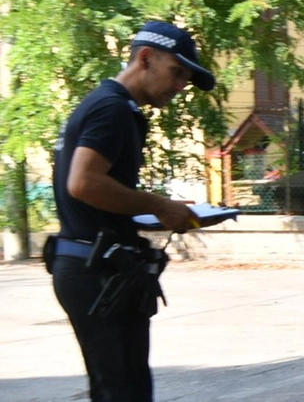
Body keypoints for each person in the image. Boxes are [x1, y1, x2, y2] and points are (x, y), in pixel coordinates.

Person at [49, 21, 216, 402]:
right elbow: (83, 183)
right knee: (122, 391)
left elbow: (96, 190)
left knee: (123, 387)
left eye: (185, 80)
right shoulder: (112, 110)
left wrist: (162, 209)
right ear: (145, 58)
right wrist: (158, 204)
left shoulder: (106, 104)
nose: (179, 87)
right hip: (95, 270)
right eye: (176, 73)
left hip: (95, 263)